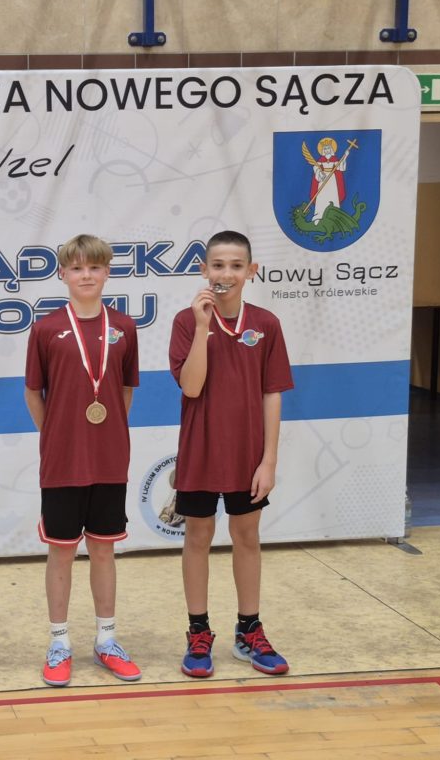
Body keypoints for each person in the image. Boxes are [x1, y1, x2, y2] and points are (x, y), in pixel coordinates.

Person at [169, 230, 294, 678]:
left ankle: (249, 630)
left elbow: (272, 393)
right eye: (218, 265)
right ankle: (198, 632)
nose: (226, 273)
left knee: (247, 536)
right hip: (200, 451)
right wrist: (203, 327)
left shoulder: (266, 323)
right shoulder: (187, 322)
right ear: (204, 270)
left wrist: (269, 460)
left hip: (247, 455)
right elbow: (192, 386)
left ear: (251, 271)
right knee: (197, 537)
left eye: (236, 266)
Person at [24, 234, 142, 687]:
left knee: (104, 549)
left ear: (107, 271)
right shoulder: (46, 329)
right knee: (61, 551)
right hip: (62, 461)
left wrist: (106, 432)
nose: (86, 275)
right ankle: (59, 642)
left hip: (109, 459)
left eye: (94, 267)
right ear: (62, 274)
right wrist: (57, 434)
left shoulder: (124, 327)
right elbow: (33, 392)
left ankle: (106, 639)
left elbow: (125, 390)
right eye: (76, 268)